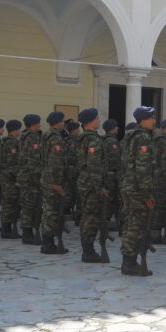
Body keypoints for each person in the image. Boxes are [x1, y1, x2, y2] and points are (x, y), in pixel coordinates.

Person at [120, 106, 157, 274]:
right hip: (137, 188)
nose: (154, 121)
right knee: (136, 225)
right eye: (151, 118)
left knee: (130, 223)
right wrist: (146, 193)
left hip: (128, 184)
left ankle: (128, 260)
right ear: (143, 119)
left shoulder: (129, 135)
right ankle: (130, 262)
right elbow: (143, 168)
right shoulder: (142, 137)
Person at [74, 108, 107, 262]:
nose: (99, 121)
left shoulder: (81, 138)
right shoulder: (93, 139)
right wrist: (99, 187)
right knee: (91, 217)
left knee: (87, 215)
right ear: (91, 121)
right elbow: (94, 165)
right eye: (97, 118)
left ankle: (87, 249)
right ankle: (88, 251)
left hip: (84, 181)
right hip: (91, 183)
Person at [38, 112, 69, 255]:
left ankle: (47, 242)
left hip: (46, 179)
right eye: (62, 121)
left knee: (48, 211)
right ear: (57, 123)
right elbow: (55, 163)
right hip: (53, 181)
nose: (63, 123)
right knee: (51, 212)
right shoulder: (56, 138)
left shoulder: (46, 135)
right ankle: (48, 244)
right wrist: (57, 184)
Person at [18, 114, 43, 245]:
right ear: (34, 124)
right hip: (30, 177)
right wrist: (38, 178)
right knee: (30, 206)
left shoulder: (24, 136)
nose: (40, 124)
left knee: (27, 205)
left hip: (25, 175)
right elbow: (34, 160)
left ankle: (27, 232)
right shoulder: (33, 137)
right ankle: (27, 234)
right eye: (38, 122)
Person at [102, 119, 122, 235]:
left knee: (109, 199)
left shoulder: (103, 140)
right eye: (116, 127)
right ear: (112, 129)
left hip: (107, 174)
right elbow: (115, 161)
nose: (117, 129)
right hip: (111, 175)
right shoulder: (111, 142)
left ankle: (106, 222)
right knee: (111, 199)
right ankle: (106, 223)